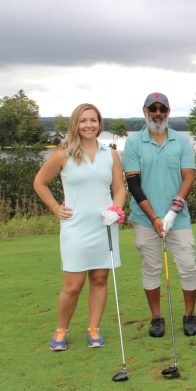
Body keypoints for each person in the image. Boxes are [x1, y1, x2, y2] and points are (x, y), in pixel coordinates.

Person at [33, 103, 126, 351]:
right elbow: (40, 182)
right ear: (75, 124)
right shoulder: (63, 154)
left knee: (99, 278)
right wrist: (55, 208)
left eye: (93, 120)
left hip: (104, 226)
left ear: (99, 124)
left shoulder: (111, 154)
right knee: (73, 286)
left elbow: (119, 189)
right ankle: (61, 330)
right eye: (83, 120)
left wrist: (116, 210)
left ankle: (93, 328)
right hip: (75, 227)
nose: (89, 125)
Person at [123, 92, 196, 337]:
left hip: (179, 217)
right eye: (152, 109)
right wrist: (155, 217)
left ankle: (189, 315)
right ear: (145, 111)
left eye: (162, 109)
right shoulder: (134, 143)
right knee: (151, 267)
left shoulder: (181, 141)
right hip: (145, 219)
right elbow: (133, 184)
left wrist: (172, 212)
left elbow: (189, 176)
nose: (157, 113)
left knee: (188, 267)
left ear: (168, 111)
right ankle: (156, 317)